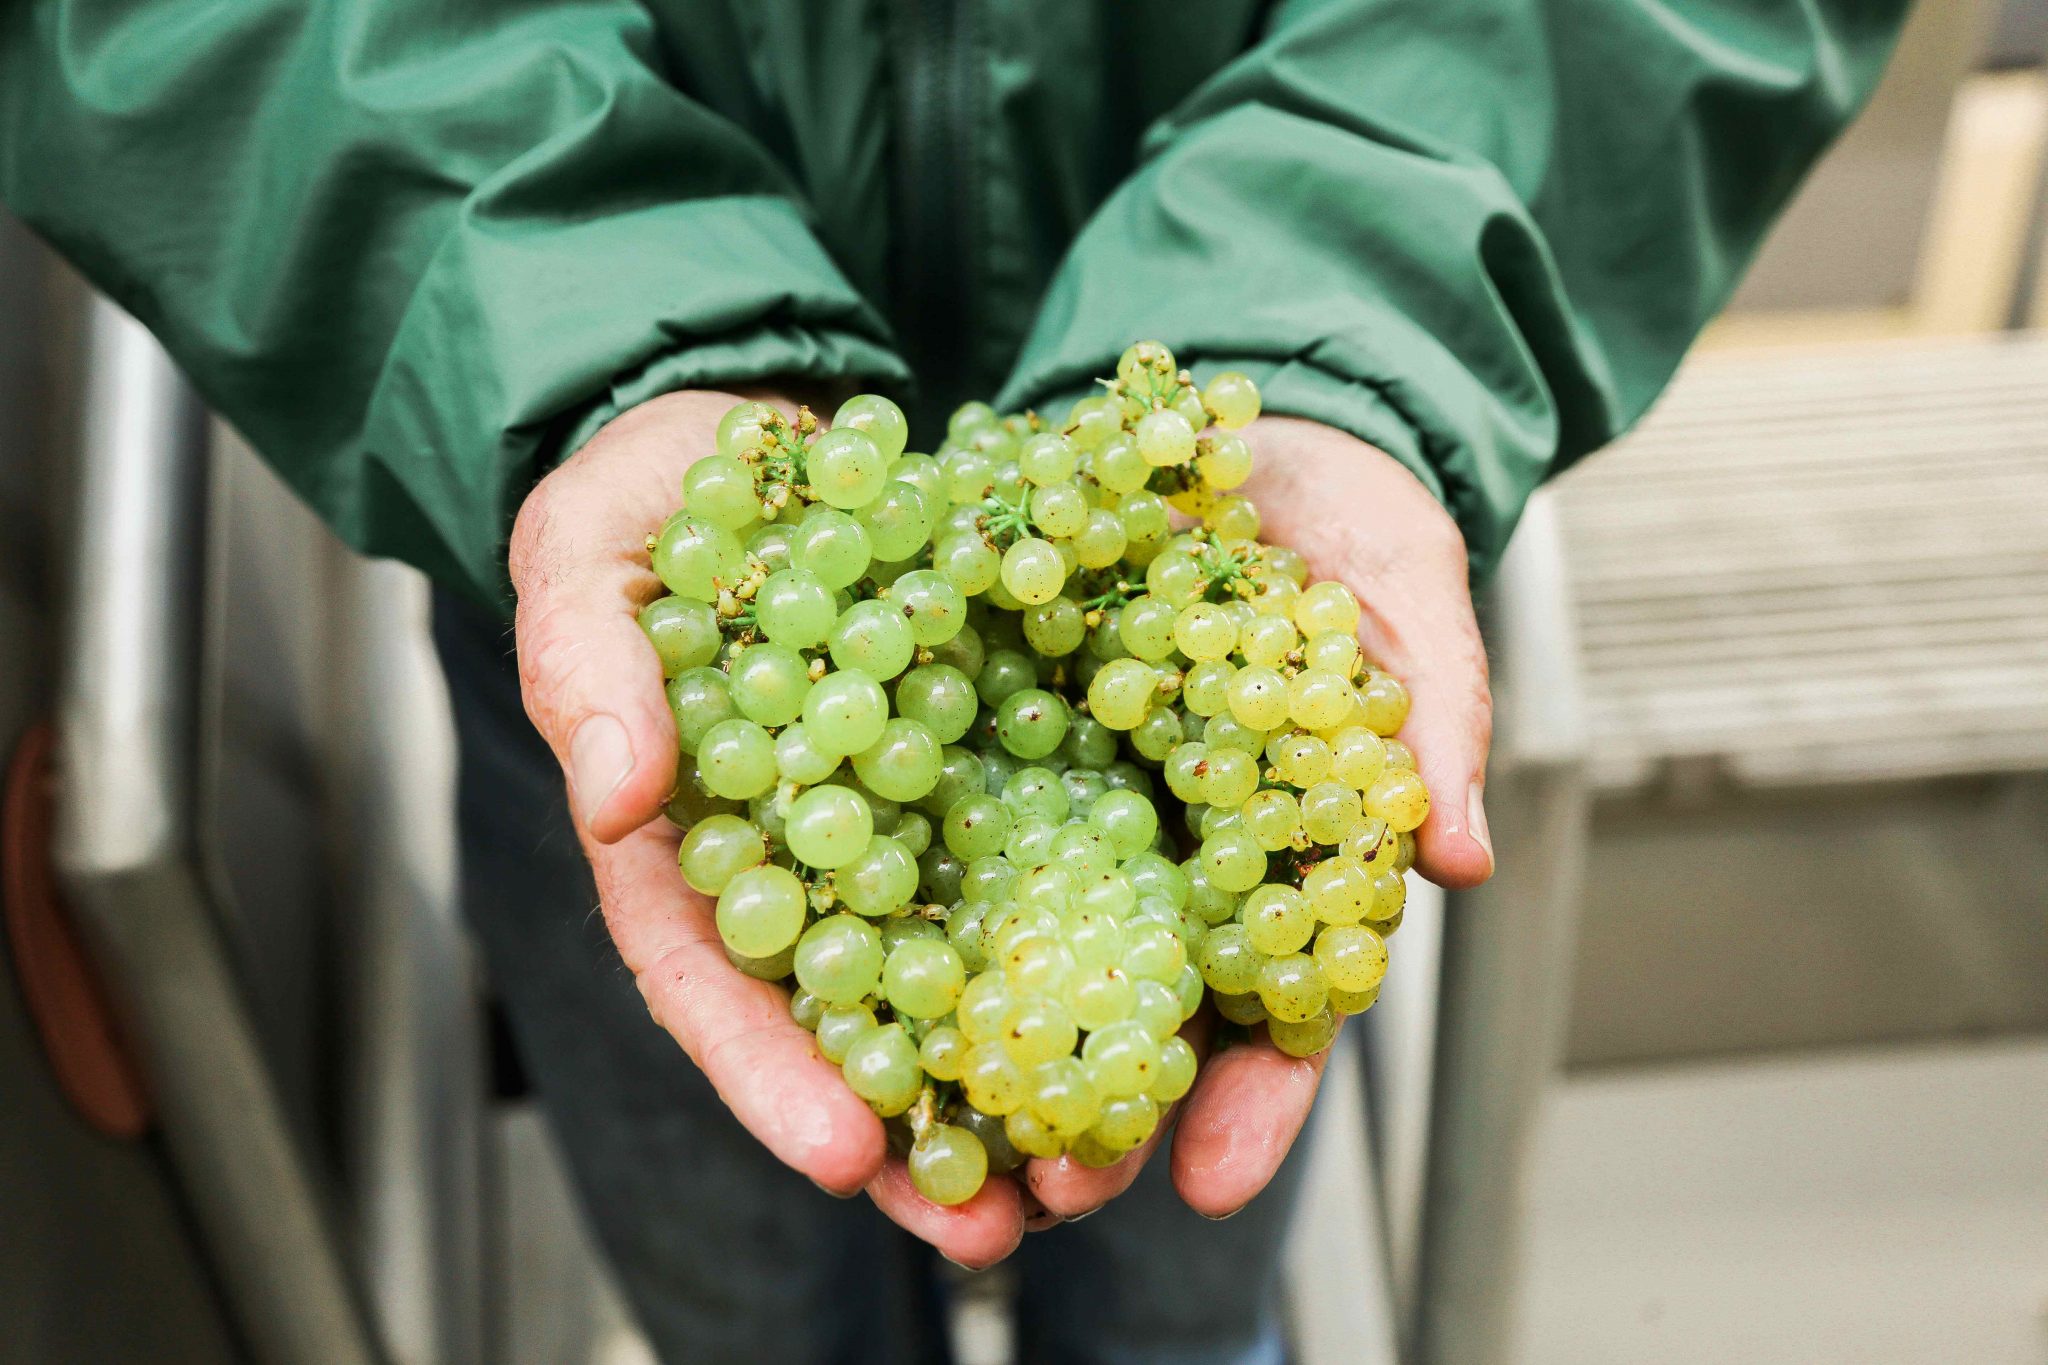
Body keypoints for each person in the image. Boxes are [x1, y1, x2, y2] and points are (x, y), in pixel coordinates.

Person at [1, 2, 1907, 1360]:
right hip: (662, 615)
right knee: (737, 1276)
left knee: (1172, 1273)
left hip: (1211, 615)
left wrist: (1337, 306)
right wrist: (570, 320)